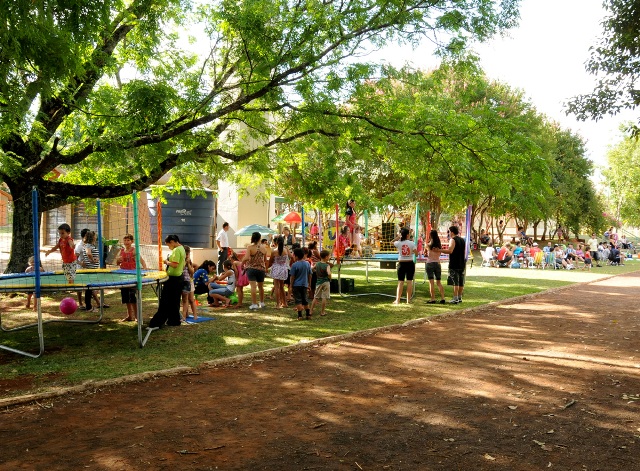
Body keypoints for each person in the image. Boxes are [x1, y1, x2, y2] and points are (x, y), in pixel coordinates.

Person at [149, 234, 185, 328]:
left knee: (165, 301)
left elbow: (175, 264)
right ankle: (174, 320)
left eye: (168, 245)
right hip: (178, 278)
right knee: (174, 301)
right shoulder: (182, 248)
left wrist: (166, 262)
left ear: (172, 242)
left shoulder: (177, 250)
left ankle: (157, 322)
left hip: (174, 279)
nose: (169, 247)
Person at [116, 233, 148, 322]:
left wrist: (145, 270)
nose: (126, 242)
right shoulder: (122, 251)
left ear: (132, 241)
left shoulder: (134, 251)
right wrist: (118, 261)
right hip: (123, 276)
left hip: (132, 276)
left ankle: (137, 316)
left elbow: (142, 261)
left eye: (128, 240)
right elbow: (118, 263)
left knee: (132, 296)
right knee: (125, 297)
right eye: (125, 240)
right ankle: (129, 316)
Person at [242, 231, 268, 310]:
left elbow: (246, 258)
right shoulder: (263, 248)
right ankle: (262, 302)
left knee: (253, 287)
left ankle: (254, 304)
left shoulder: (250, 247)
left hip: (251, 268)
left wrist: (242, 262)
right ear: (260, 238)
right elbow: (265, 260)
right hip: (261, 269)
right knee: (261, 287)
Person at [392, 227, 417, 305]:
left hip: (401, 264)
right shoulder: (412, 243)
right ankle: (408, 300)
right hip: (410, 263)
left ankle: (397, 300)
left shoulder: (398, 243)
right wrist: (412, 252)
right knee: (409, 282)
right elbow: (416, 254)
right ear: (407, 235)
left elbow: (391, 242)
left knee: (400, 282)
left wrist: (398, 237)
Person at [441, 225, 466, 304]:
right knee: (461, 281)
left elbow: (450, 251)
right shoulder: (462, 240)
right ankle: (459, 297)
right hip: (462, 263)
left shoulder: (452, 240)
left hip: (454, 263)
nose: (448, 233)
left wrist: (440, 250)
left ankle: (455, 298)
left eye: (449, 232)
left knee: (455, 281)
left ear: (452, 232)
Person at [80, 231, 101, 312]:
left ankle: (89, 306)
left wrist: (96, 259)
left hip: (92, 269)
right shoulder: (88, 245)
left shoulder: (89, 245)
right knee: (89, 288)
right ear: (93, 237)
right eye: (95, 236)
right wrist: (92, 260)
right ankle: (88, 307)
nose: (96, 237)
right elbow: (88, 253)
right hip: (91, 270)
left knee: (90, 288)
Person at [290, 247, 312, 320]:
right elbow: (310, 275)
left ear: (296, 256)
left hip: (296, 285)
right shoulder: (307, 264)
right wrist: (309, 284)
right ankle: (308, 314)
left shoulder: (294, 265)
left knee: (298, 300)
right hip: (304, 285)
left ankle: (300, 316)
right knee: (305, 299)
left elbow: (292, 276)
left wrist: (291, 285)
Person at [424, 229, 446, 304]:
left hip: (430, 263)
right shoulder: (439, 246)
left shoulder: (428, 245)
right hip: (437, 263)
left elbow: (425, 253)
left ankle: (433, 298)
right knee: (439, 282)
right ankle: (442, 298)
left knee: (431, 282)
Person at [269, 236, 290, 309]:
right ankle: (284, 303)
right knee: (282, 287)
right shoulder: (285, 250)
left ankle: (278, 304)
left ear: (276, 242)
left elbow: (270, 261)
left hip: (276, 269)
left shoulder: (274, 251)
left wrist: (267, 267)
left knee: (277, 287)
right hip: (283, 269)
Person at [310, 249, 332, 317]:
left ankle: (311, 311)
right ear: (326, 257)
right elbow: (329, 273)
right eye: (329, 256)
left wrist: (316, 271)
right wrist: (330, 278)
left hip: (319, 282)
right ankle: (322, 312)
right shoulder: (327, 265)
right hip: (326, 282)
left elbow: (312, 269)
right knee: (324, 297)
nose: (329, 257)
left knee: (316, 297)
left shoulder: (317, 264)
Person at [74, 228, 90, 308]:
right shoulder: (79, 246)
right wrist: (81, 263)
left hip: (89, 268)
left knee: (90, 286)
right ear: (84, 236)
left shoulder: (89, 244)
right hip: (80, 269)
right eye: (88, 235)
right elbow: (74, 259)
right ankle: (80, 303)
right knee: (80, 287)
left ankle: (97, 303)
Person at [181, 245, 197, 320]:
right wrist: (185, 263)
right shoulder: (181, 260)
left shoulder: (189, 261)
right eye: (186, 254)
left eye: (188, 254)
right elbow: (180, 269)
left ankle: (195, 315)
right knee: (185, 299)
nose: (187, 256)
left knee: (191, 299)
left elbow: (192, 272)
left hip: (189, 281)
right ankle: (185, 314)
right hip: (183, 281)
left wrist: (188, 264)